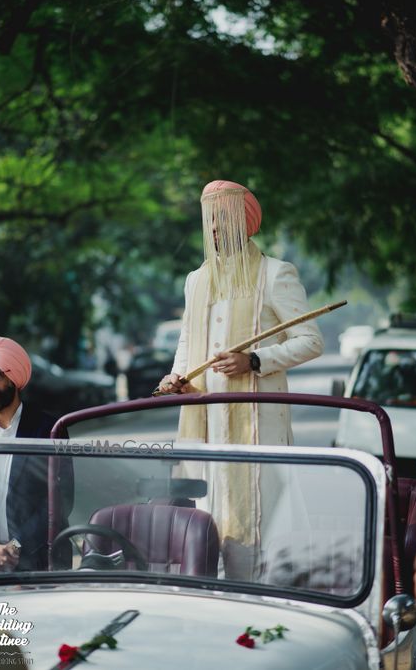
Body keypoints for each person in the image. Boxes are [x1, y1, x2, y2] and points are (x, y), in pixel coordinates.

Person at [158, 179, 324, 578]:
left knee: (259, 529)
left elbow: (311, 341)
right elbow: (187, 338)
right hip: (206, 426)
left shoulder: (275, 274)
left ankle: (257, 613)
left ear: (244, 223)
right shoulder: (196, 280)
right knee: (207, 522)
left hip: (256, 430)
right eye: (209, 221)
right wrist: (178, 375)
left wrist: (254, 360)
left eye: (222, 220)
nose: (213, 229)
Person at [0, 336, 73, 572]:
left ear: (15, 378)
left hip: (40, 562)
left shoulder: (50, 429)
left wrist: (16, 547)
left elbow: (61, 498)